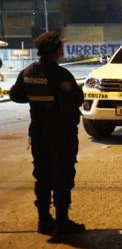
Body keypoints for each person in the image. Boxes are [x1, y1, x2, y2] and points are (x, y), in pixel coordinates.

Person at [9, 32, 86, 236]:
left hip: (39, 134)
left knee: (42, 176)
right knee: (62, 176)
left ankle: (44, 222)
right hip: (61, 134)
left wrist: (38, 99)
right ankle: (62, 222)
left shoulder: (27, 72)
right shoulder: (61, 75)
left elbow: (15, 94)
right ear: (57, 51)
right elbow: (75, 100)